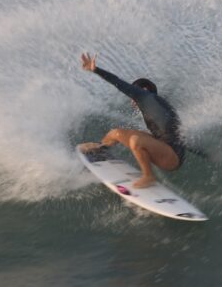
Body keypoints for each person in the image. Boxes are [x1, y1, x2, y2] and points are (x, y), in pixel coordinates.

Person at [79, 53, 185, 188]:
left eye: (133, 92)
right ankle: (101, 148)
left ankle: (149, 176)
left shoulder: (145, 97)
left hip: (172, 157)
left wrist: (96, 70)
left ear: (142, 90)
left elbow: (117, 82)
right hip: (163, 145)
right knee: (115, 133)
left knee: (135, 141)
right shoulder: (157, 103)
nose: (131, 98)